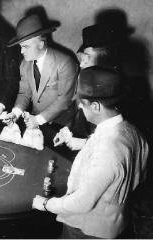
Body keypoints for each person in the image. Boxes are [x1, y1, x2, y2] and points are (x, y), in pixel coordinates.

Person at [32, 66, 149, 239]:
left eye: (82, 103)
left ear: (95, 106)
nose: (79, 106)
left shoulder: (108, 150)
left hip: (87, 229)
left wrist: (46, 204)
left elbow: (81, 203)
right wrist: (85, 145)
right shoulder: (133, 131)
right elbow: (137, 174)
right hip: (115, 219)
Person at [3, 14, 78, 130]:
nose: (22, 51)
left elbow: (64, 100)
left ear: (41, 44)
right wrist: (15, 113)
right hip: (34, 120)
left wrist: (38, 120)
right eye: (21, 47)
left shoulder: (65, 63)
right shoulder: (25, 63)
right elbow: (24, 93)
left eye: (26, 47)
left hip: (60, 125)